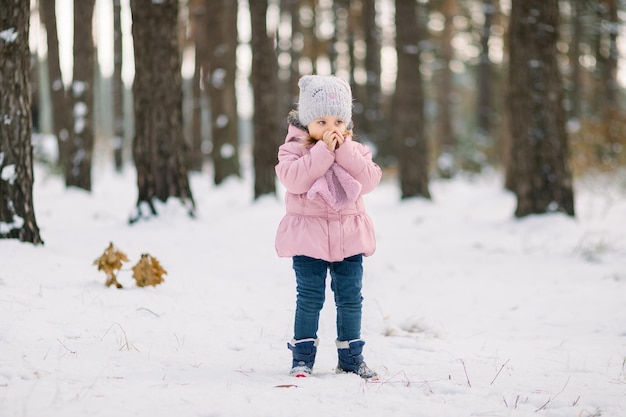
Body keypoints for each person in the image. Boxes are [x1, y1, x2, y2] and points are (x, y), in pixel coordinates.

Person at [275, 75, 382, 379]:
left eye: (337, 121)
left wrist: (344, 152)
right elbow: (294, 180)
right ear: (307, 122)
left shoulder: (355, 150)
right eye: (321, 121)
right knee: (309, 297)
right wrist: (323, 153)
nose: (330, 128)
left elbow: (370, 180)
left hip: (348, 238)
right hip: (309, 239)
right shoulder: (294, 150)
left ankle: (351, 358)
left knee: (350, 298)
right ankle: (303, 358)